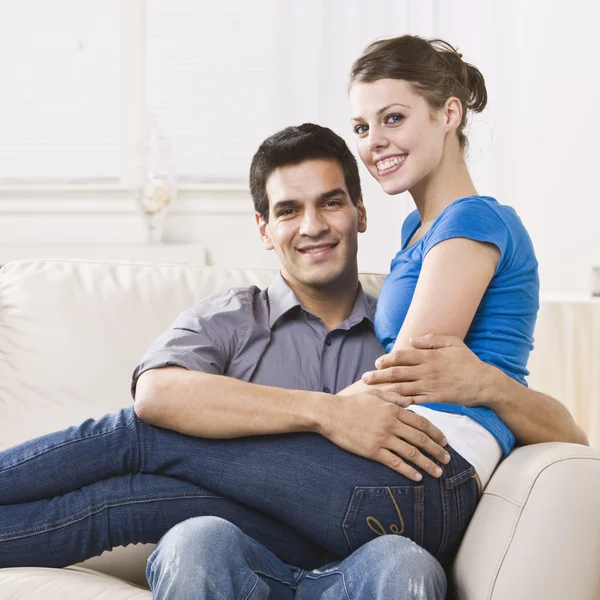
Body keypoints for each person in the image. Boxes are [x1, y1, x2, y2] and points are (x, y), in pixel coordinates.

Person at [0, 39, 586, 590]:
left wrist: (337, 412)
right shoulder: (420, 233)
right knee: (127, 502)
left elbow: (408, 376)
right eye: (362, 126)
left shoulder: (471, 222)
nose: (375, 139)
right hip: (400, 487)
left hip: (421, 478)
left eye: (393, 117)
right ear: (264, 227)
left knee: (139, 437)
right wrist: (328, 413)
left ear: (449, 114)